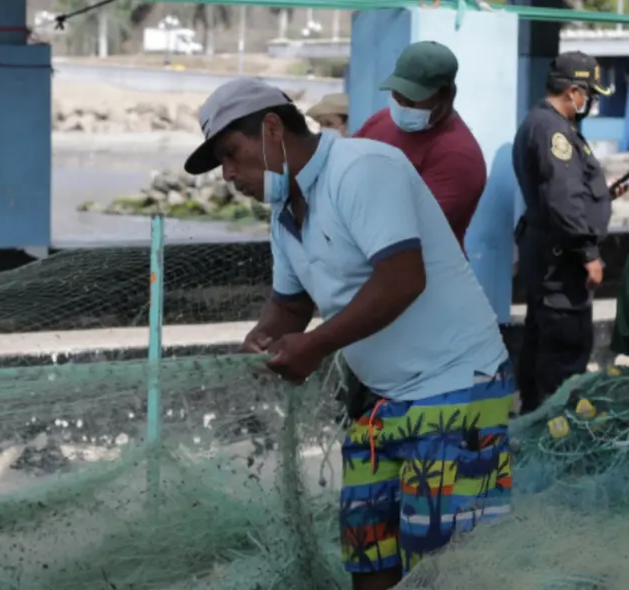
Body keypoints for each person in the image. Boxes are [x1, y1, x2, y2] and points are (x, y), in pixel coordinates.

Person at [184, 78, 513, 590]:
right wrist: (261, 342)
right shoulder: (283, 214)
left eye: (231, 153)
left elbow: (402, 279)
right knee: (368, 549)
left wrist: (313, 346)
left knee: (448, 567)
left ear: (272, 128)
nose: (228, 174)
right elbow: (290, 306)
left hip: (457, 384)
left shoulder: (361, 168)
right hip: (383, 399)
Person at [513, 51, 614, 414]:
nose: (591, 102)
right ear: (574, 90)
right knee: (565, 351)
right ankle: (555, 437)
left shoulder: (550, 125)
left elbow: (569, 191)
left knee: (543, 343)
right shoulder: (553, 130)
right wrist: (589, 253)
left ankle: (533, 422)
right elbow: (562, 198)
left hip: (550, 257)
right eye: (591, 94)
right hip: (563, 262)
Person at [355, 41, 486, 251]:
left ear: (446, 97)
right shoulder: (381, 121)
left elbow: (407, 231)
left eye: (412, 100)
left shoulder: (457, 155)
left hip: (423, 276)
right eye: (396, 94)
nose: (401, 104)